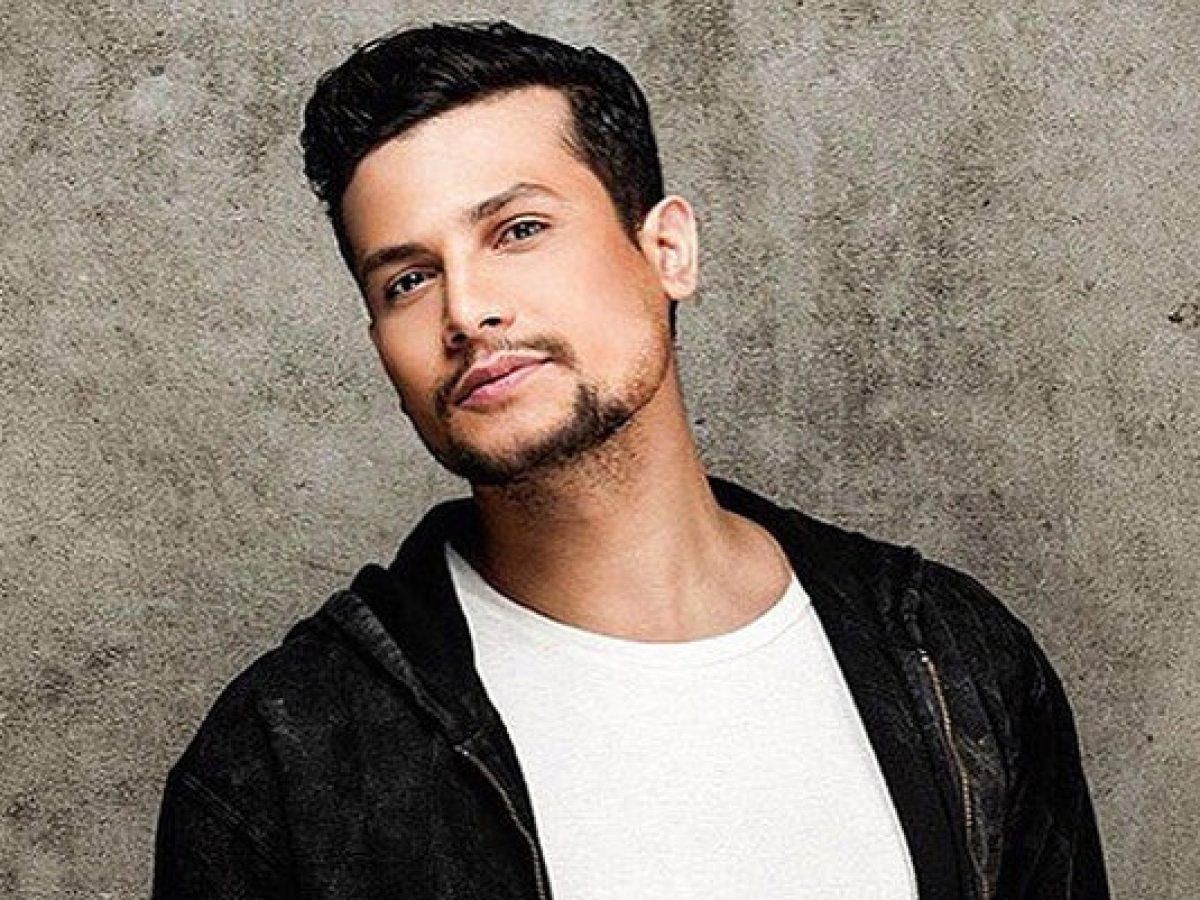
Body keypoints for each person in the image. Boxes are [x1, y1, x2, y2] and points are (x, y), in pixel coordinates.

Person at [153, 20, 1109, 900]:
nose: (466, 310)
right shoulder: (284, 759)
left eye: (519, 231)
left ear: (668, 250)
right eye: (408, 279)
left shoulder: (952, 660)